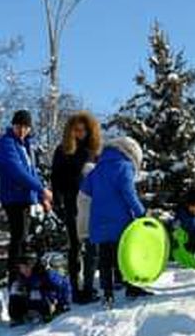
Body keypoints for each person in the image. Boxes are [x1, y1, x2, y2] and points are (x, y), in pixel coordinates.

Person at [80, 136, 148, 307]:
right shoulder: (124, 166)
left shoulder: (98, 168)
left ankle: (107, 294)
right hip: (119, 221)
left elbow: (86, 188)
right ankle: (131, 287)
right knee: (125, 256)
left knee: (105, 259)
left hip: (99, 221)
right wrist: (141, 213)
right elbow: (128, 193)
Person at [0, 110, 52, 280]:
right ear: (13, 125)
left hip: (26, 198)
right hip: (13, 197)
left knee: (24, 237)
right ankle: (14, 277)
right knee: (18, 237)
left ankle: (23, 275)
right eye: (19, 126)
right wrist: (41, 190)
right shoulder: (7, 143)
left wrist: (41, 197)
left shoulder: (25, 146)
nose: (22, 130)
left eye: (26, 127)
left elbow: (32, 172)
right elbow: (16, 171)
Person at [52, 112, 102, 300]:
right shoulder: (62, 151)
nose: (80, 133)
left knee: (91, 245)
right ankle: (75, 288)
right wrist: (58, 201)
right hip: (71, 202)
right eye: (76, 130)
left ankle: (88, 287)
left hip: (91, 203)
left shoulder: (93, 152)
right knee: (74, 245)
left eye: (83, 130)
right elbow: (55, 178)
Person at [8, 255, 73, 326]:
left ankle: (46, 314)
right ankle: (17, 317)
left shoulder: (45, 274)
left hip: (47, 301)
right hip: (31, 302)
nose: (24, 270)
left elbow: (63, 285)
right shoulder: (20, 277)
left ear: (32, 266)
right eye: (22, 268)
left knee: (35, 292)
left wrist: (64, 304)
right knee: (15, 288)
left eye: (27, 267)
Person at [74, 159, 99, 304]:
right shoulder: (93, 189)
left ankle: (86, 287)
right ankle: (88, 289)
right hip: (92, 228)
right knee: (92, 257)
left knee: (88, 257)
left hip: (82, 227)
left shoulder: (81, 190)